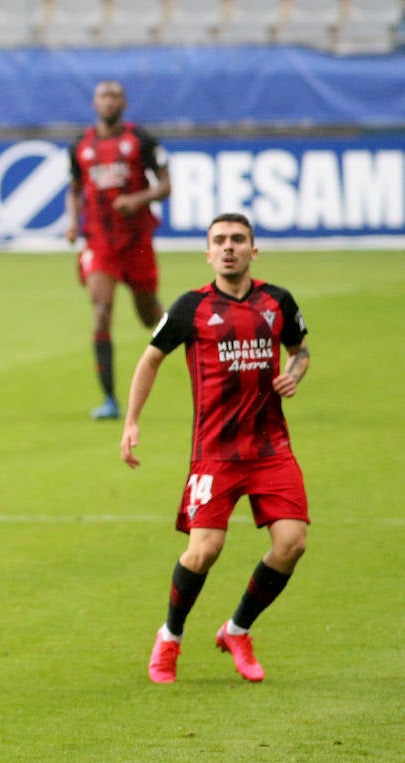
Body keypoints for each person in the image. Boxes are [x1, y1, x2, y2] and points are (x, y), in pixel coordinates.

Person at [121, 212, 310, 685]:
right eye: (219, 241)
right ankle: (170, 637)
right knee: (204, 550)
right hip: (215, 454)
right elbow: (150, 360)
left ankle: (237, 629)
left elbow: (300, 350)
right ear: (208, 253)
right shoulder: (191, 308)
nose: (229, 247)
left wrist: (295, 371)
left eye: (238, 240)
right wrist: (131, 422)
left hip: (271, 448)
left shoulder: (278, 301)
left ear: (253, 250)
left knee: (292, 543)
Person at [65, 80, 172, 420]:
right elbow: (74, 189)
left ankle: (196, 352)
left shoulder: (141, 140)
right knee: (101, 310)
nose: (108, 102)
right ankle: (110, 400)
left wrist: (136, 199)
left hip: (137, 241)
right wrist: (71, 222)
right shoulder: (80, 145)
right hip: (99, 240)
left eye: (114, 96)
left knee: (148, 316)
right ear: (94, 103)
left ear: (123, 103)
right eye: (102, 96)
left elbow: (166, 186)